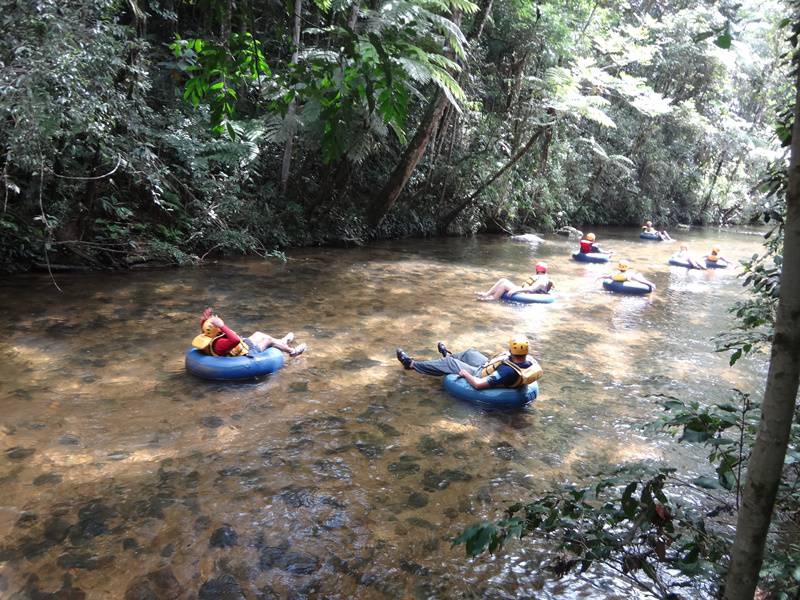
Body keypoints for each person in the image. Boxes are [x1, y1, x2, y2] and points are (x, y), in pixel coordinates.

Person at [395, 336, 543, 390]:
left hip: (479, 374)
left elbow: (479, 385)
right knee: (470, 352)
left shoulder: (506, 371)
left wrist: (465, 374)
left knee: (450, 363)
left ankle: (412, 365)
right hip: (489, 366)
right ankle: (449, 354)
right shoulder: (529, 360)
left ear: (511, 350)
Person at [192, 307, 306, 357]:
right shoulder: (219, 344)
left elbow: (206, 328)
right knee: (268, 340)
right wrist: (222, 325)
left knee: (258, 334)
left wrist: (205, 319)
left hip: (244, 345)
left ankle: (282, 342)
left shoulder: (208, 334)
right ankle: (292, 352)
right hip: (248, 353)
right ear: (217, 329)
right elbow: (235, 340)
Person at [475, 262, 554, 301]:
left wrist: (516, 289)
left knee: (504, 285)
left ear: (537, 270)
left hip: (529, 294)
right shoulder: (540, 277)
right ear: (545, 270)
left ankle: (494, 298)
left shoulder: (542, 279)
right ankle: (487, 294)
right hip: (525, 292)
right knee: (503, 280)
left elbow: (532, 289)